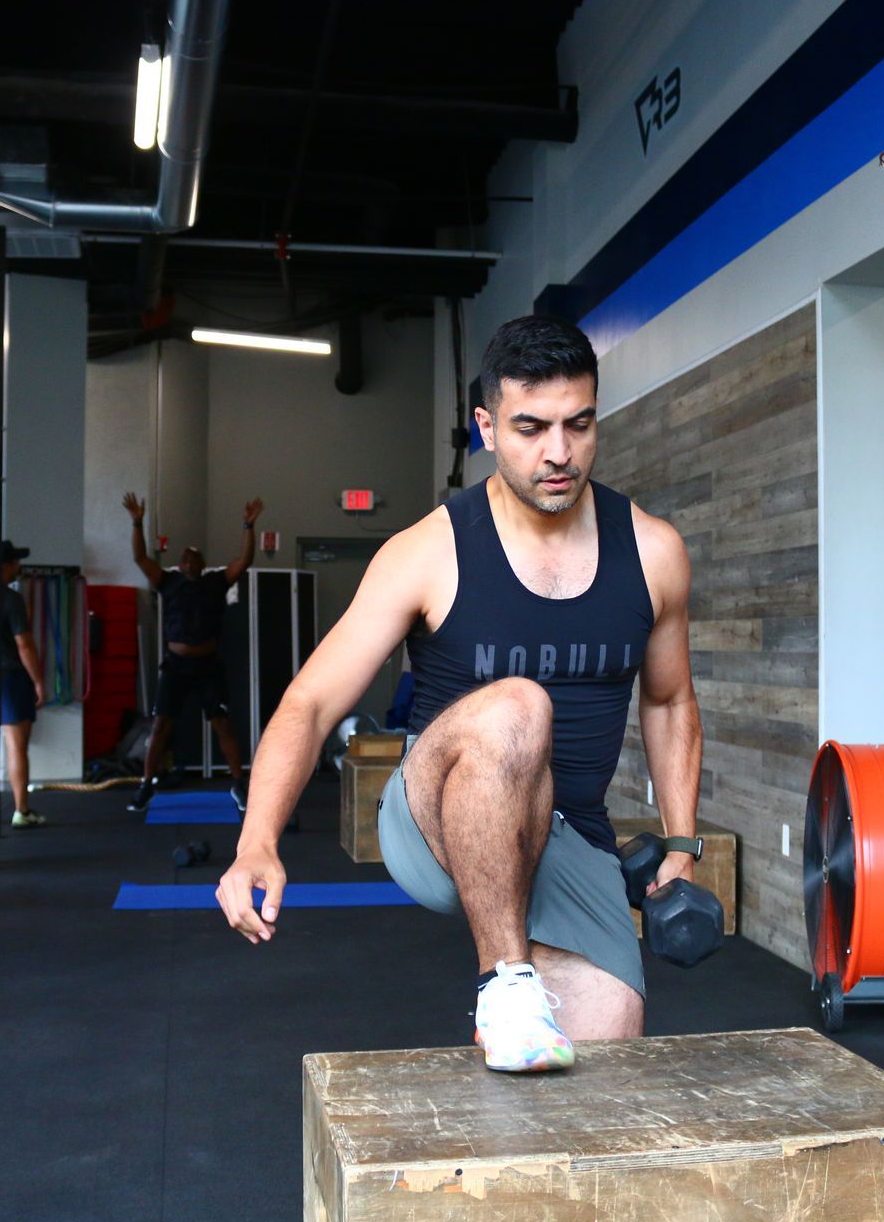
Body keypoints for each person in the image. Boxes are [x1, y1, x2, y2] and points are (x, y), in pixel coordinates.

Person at [215, 315, 700, 1073]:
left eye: (578, 425)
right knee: (518, 706)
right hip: (433, 815)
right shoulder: (428, 551)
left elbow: (669, 702)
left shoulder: (652, 550)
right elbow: (309, 703)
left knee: (605, 1061)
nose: (558, 453)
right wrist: (257, 841)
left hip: (569, 832)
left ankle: (523, 1023)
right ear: (486, 426)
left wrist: (681, 845)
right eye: (531, 428)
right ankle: (505, 984)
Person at [121, 493, 266, 813]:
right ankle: (146, 784)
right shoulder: (168, 581)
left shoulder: (216, 582)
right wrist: (137, 522)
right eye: (184, 559)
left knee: (222, 724)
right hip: (176, 665)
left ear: (201, 565)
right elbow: (140, 557)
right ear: (180, 564)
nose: (188, 563)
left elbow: (244, 561)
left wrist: (248, 526)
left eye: (193, 559)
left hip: (208, 665)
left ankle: (238, 784)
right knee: (160, 725)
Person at [0, 539, 49, 830]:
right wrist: (38, 681)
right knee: (16, 744)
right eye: (15, 562)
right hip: (10, 677)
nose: (19, 567)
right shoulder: (10, 599)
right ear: (5, 566)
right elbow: (24, 645)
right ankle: (21, 811)